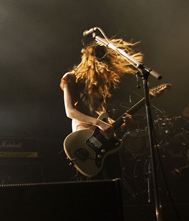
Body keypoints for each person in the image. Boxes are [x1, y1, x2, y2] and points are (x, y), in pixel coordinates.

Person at [60, 37, 142, 179]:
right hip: (85, 140)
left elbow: (101, 116)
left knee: (114, 181)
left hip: (105, 140)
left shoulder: (99, 85)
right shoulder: (71, 78)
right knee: (94, 185)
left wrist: (121, 125)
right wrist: (98, 123)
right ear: (92, 62)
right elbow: (70, 111)